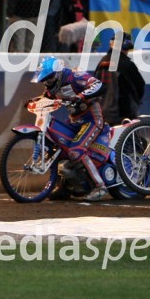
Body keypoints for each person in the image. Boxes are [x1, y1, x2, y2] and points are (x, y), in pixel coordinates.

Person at [33, 56, 109, 202]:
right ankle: (64, 187)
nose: (47, 83)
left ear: (57, 74)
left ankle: (100, 187)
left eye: (49, 79)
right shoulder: (53, 86)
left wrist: (82, 95)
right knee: (58, 148)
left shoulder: (75, 76)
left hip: (92, 119)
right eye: (44, 81)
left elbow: (99, 85)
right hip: (74, 122)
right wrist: (34, 101)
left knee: (75, 151)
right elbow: (47, 96)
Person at [94, 34, 145, 125]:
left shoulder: (102, 61)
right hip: (123, 114)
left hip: (102, 114)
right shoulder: (126, 64)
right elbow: (139, 86)